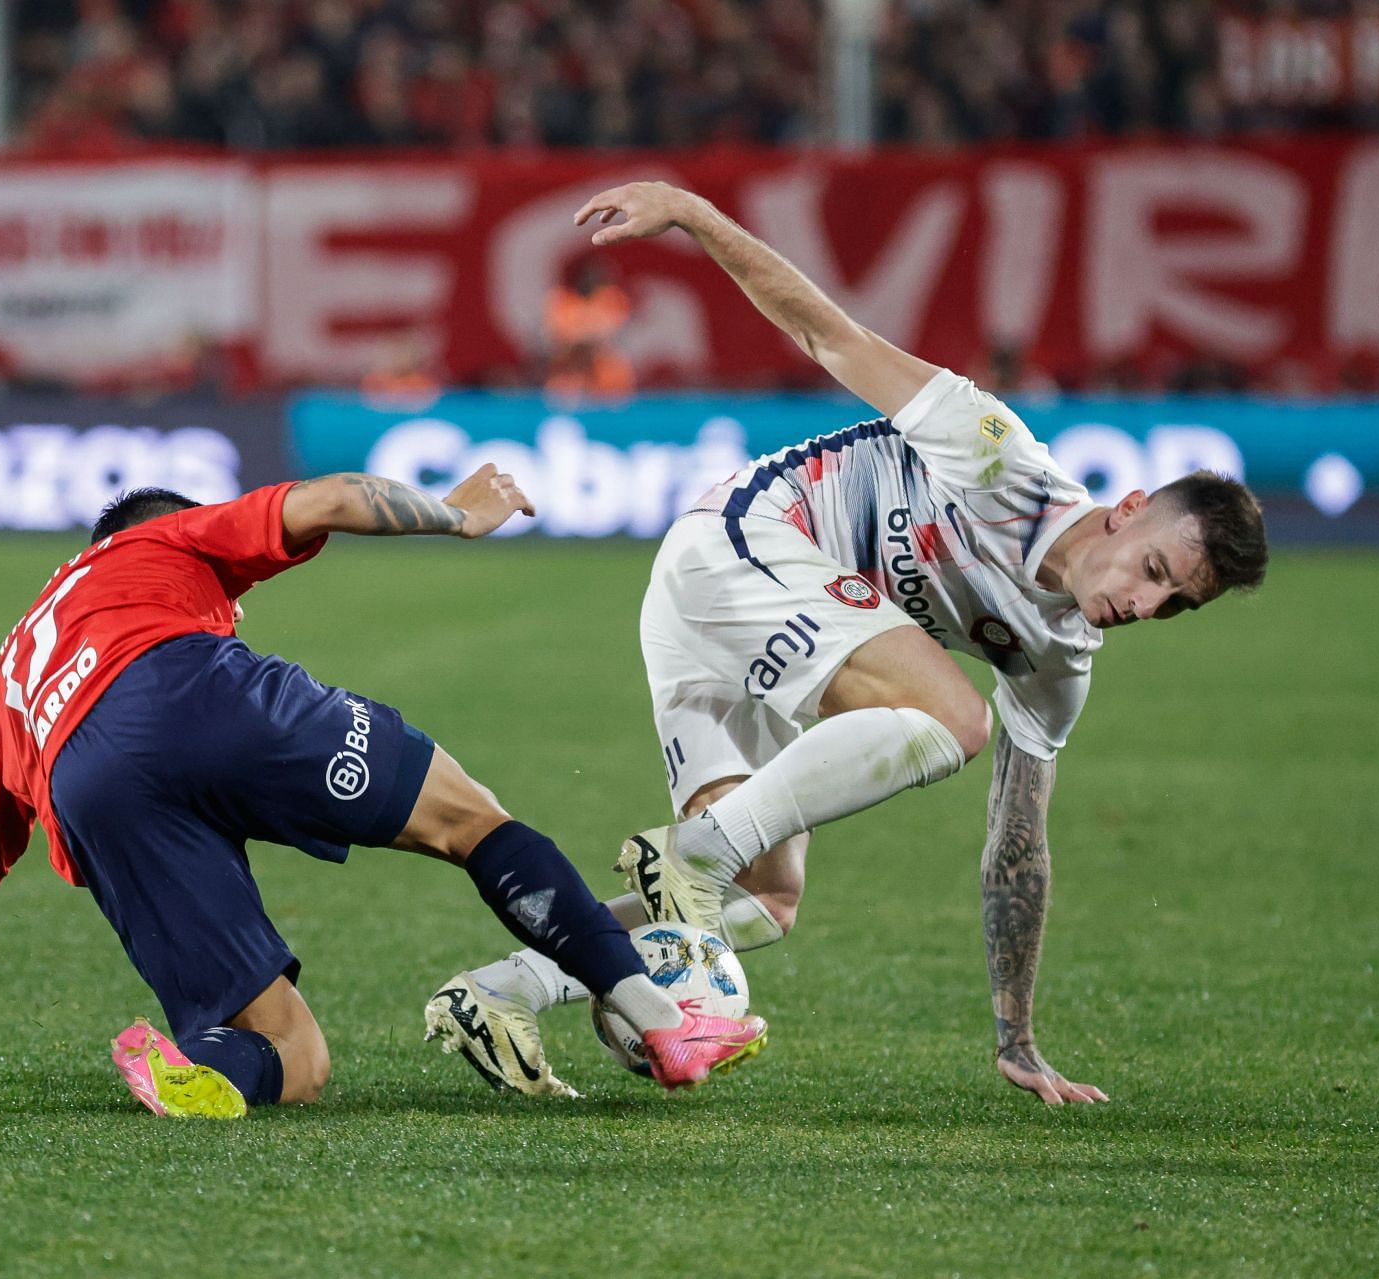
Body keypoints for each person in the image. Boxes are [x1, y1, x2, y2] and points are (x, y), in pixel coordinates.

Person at [427, 181, 1269, 1105]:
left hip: (734, 619)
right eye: (1154, 571)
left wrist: (1017, 1036)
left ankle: (501, 990)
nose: (1145, 606)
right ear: (1132, 510)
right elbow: (829, 334)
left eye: (1174, 605)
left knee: (764, 902)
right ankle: (694, 852)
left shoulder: (1060, 659)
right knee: (949, 713)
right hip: (737, 543)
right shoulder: (1000, 456)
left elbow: (1016, 846)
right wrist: (693, 213)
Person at [0, 465, 766, 1117]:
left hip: (84, 788)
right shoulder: (158, 540)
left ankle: (202, 1066)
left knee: (297, 1057)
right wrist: (455, 514)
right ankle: (659, 1019)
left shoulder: (15, 678)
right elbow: (325, 500)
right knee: (469, 820)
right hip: (188, 689)